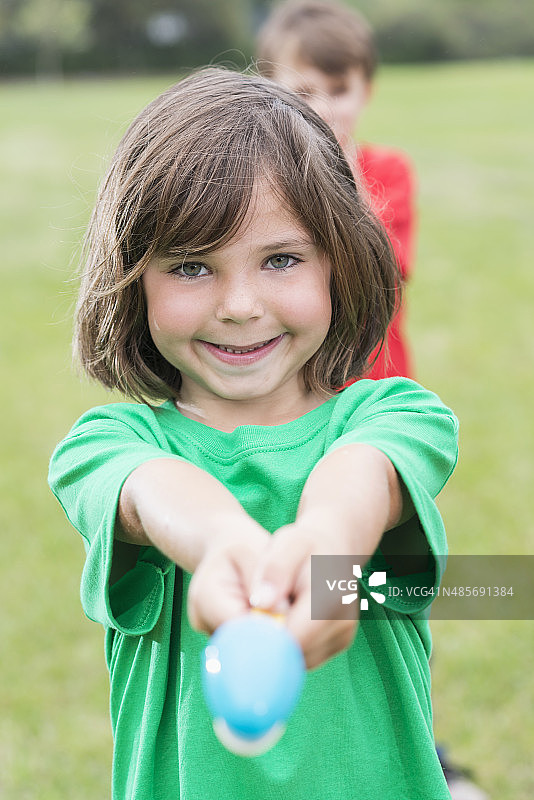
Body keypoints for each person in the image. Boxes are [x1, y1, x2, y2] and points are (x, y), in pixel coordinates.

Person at [49, 67, 459, 800]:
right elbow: (151, 492)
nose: (240, 305)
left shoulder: (396, 415)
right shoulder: (108, 444)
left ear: (342, 262)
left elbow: (365, 474)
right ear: (132, 279)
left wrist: (329, 548)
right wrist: (224, 547)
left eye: (281, 259)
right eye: (192, 266)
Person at [256, 0, 416, 380]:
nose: (325, 109)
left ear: (367, 91)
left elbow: (388, 270)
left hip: (372, 372)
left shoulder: (388, 170)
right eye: (306, 91)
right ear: (265, 89)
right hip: (290, 378)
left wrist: (345, 172)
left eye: (340, 90)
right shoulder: (261, 179)